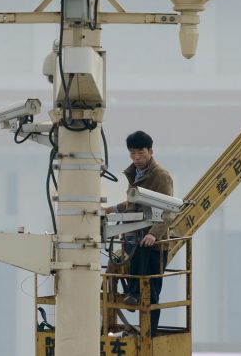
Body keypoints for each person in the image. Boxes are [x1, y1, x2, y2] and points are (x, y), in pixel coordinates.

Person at [103, 130, 173, 336]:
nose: (136, 158)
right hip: (133, 238)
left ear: (150, 151)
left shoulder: (160, 176)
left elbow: (168, 210)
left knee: (151, 292)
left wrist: (154, 234)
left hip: (153, 243)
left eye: (140, 153)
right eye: (132, 153)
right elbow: (135, 203)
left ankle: (148, 332)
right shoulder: (135, 173)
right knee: (129, 270)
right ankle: (132, 295)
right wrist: (113, 209)